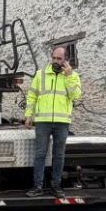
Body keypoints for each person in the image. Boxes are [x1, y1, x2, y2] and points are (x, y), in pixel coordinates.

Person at [24, 46, 82, 198]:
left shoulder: (73, 76)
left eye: (59, 59)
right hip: (43, 121)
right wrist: (28, 115)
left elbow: (74, 96)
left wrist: (69, 76)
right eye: (54, 58)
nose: (56, 61)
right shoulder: (40, 74)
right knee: (40, 154)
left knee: (59, 155)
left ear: (65, 60)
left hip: (62, 122)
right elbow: (32, 96)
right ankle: (37, 186)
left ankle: (56, 186)